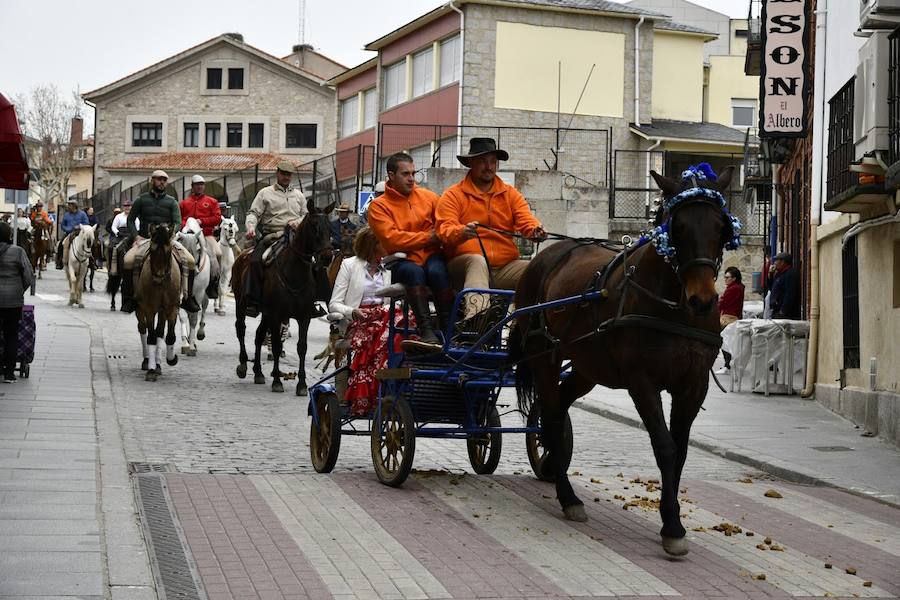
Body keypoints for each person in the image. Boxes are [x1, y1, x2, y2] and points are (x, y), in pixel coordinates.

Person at [436, 138, 546, 320]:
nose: (489, 167)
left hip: (504, 267)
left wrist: (535, 231)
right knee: (477, 261)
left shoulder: (510, 194)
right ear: (470, 163)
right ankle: (476, 323)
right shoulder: (453, 195)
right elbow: (444, 230)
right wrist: (462, 232)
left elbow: (526, 220)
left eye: (493, 161)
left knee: (541, 270)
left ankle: (534, 327)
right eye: (482, 161)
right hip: (463, 267)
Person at [367, 152, 453, 352]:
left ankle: (451, 330)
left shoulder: (429, 197)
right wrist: (427, 237)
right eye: (405, 174)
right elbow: (392, 239)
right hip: (400, 260)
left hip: (431, 255)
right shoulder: (378, 206)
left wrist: (428, 237)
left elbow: (443, 225)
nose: (412, 178)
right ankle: (427, 331)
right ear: (391, 175)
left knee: (438, 272)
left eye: (413, 173)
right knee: (415, 273)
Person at [329, 227, 406, 415]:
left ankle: (393, 384)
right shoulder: (349, 265)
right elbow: (334, 304)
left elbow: (399, 299)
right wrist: (353, 312)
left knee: (403, 326)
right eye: (384, 243)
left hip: (386, 317)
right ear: (373, 246)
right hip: (359, 320)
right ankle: (371, 392)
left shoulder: (391, 268)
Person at [119, 170, 200, 314]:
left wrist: (173, 234)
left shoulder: (172, 201)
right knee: (128, 260)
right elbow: (130, 220)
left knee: (191, 261)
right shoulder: (141, 200)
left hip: (167, 240)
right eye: (159, 179)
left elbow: (177, 221)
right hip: (145, 239)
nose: (162, 182)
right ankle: (129, 299)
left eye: (164, 180)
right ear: (152, 181)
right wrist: (136, 236)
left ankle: (188, 297)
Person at [243, 160, 308, 318]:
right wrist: (250, 227)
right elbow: (253, 213)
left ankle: (313, 301)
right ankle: (253, 300)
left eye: (289, 174)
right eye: (284, 173)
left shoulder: (299, 195)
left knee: (314, 262)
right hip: (271, 236)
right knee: (255, 260)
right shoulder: (265, 193)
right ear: (277, 173)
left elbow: (306, 215)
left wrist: (297, 222)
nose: (286, 177)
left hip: (296, 237)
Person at [0, 222, 34, 383]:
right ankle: (9, 373)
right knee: (11, 335)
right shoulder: (18, 251)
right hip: (13, 301)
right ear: (9, 235)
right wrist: (19, 290)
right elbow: (28, 276)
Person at [180, 174, 222, 298]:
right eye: (197, 185)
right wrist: (187, 226)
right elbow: (180, 219)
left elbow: (217, 217)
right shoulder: (184, 203)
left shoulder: (212, 202)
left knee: (218, 253)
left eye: (201, 184)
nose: (200, 187)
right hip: (187, 235)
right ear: (192, 186)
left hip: (206, 234)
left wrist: (201, 222)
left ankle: (214, 282)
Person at [715, 266, 745, 374]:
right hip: (731, 317)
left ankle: (727, 365)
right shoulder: (738, 287)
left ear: (734, 278)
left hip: (728, 318)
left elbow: (722, 303)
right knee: (728, 341)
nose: (725, 279)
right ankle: (728, 364)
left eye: (727, 277)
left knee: (724, 341)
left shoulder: (733, 289)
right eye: (725, 277)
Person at [57, 199, 88, 269]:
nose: (68, 207)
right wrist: (68, 229)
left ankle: (92, 261)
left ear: (74, 206)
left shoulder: (82, 214)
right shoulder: (66, 215)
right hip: (69, 233)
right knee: (61, 244)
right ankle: (59, 261)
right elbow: (62, 225)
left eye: (70, 205)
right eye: (68, 205)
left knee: (89, 242)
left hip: (80, 233)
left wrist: (79, 226)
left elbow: (86, 223)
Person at [770, 252, 801, 319]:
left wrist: (782, 311)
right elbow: (771, 288)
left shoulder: (791, 274)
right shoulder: (778, 274)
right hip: (776, 311)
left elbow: (790, 294)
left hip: (786, 315)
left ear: (782, 262)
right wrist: (770, 275)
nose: (774, 263)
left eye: (776, 260)